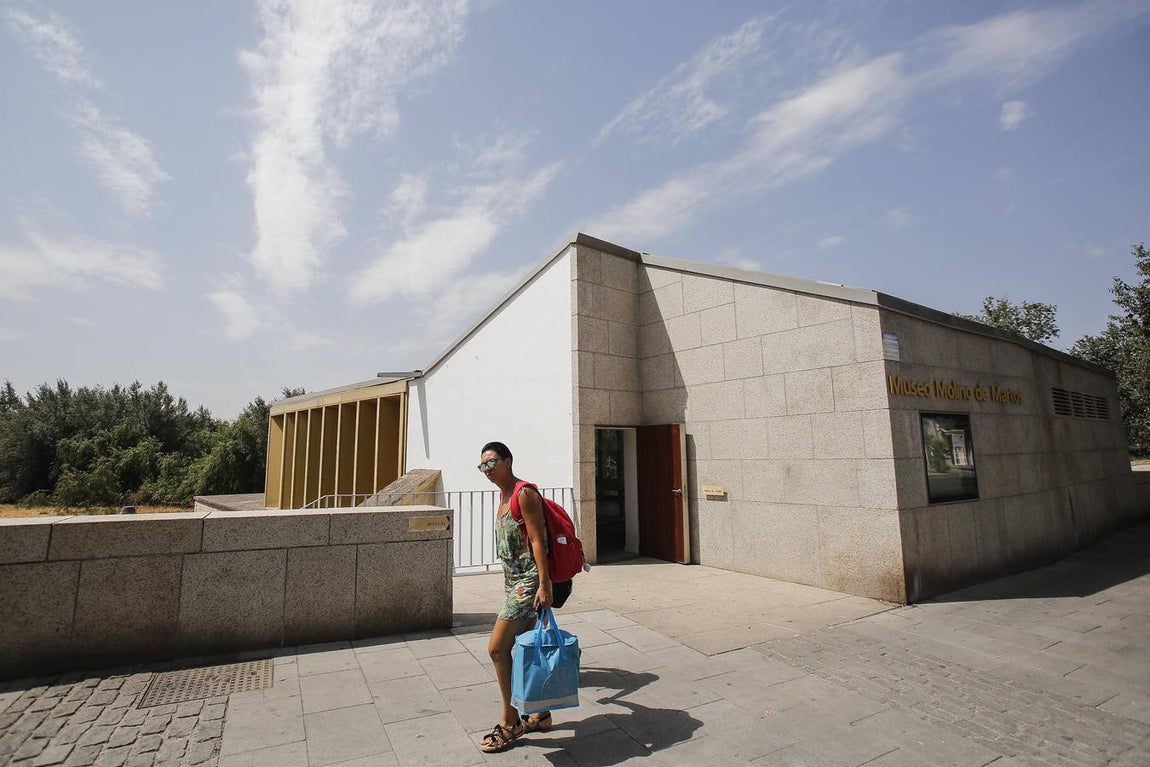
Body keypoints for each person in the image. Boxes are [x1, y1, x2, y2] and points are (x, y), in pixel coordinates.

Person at [477, 441, 554, 753]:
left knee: (497, 649)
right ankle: (540, 713)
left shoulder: (524, 493)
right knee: (523, 650)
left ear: (507, 461)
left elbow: (538, 540)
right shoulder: (502, 496)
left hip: (529, 582)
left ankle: (510, 722)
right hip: (512, 583)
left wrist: (545, 585)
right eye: (482, 465)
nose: (487, 470)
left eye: (492, 462)